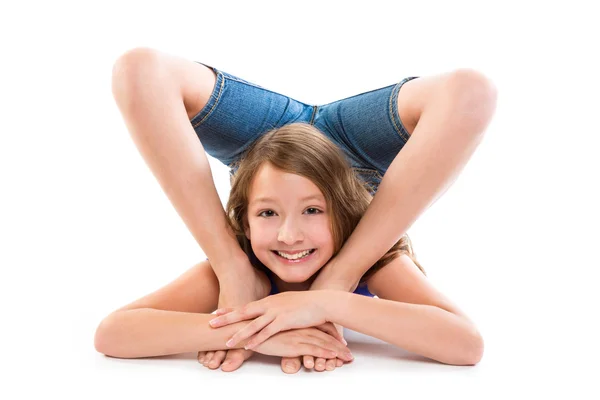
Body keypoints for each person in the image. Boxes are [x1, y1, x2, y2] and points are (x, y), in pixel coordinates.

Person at [100, 47, 497, 373]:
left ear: (341, 211)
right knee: (136, 67)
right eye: (267, 214)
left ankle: (340, 269)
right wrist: (250, 326)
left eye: (313, 211)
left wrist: (328, 297)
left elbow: (467, 345)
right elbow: (112, 334)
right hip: (268, 156)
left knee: (473, 90)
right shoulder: (249, 259)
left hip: (340, 157)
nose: (289, 236)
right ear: (245, 218)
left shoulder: (379, 266)